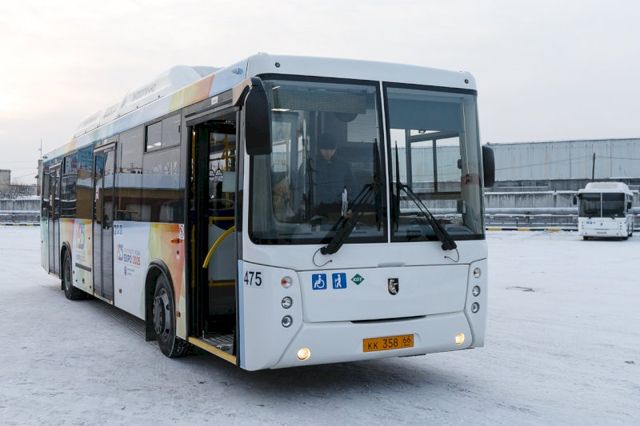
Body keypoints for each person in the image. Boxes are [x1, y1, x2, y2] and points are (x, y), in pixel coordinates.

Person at [308, 132, 356, 219]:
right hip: (316, 211)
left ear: (335, 149)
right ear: (319, 148)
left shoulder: (343, 166)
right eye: (325, 149)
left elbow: (352, 188)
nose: (328, 152)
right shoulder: (311, 165)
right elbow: (302, 188)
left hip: (339, 212)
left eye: (332, 149)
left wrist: (351, 207)